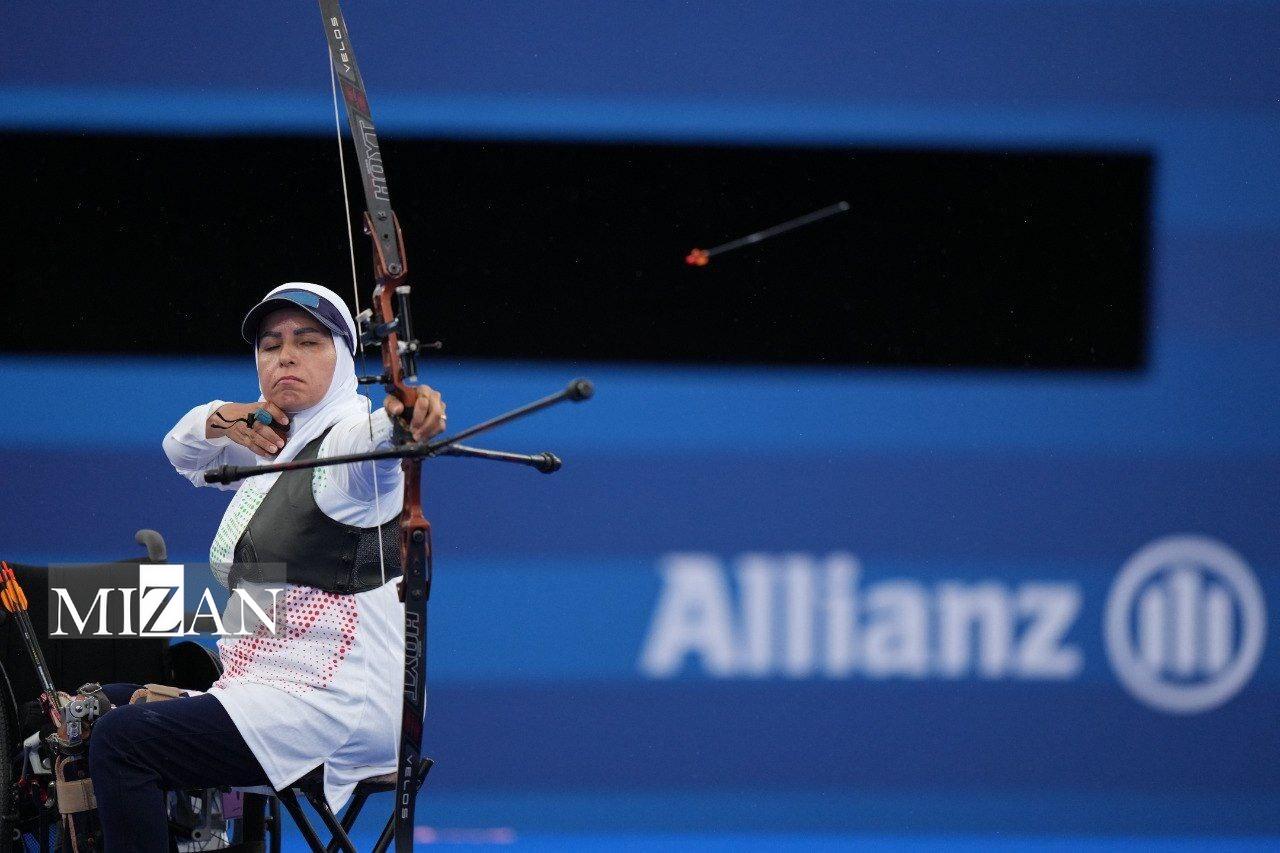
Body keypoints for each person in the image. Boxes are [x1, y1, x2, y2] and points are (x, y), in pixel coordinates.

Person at [88, 282, 445, 851]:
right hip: (269, 682)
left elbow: (380, 448)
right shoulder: (277, 439)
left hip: (333, 704)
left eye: (308, 341)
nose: (285, 355)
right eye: (270, 344)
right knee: (92, 707)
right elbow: (180, 450)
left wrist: (403, 420)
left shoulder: (348, 443)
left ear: (345, 359)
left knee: (120, 740)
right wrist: (224, 417)